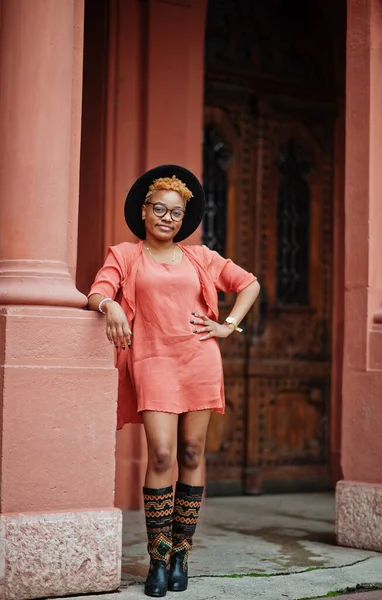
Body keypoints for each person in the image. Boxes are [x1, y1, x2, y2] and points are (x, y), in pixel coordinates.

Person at [88, 165, 260, 597]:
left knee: (191, 450)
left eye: (177, 212)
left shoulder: (200, 257)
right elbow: (97, 291)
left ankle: (182, 553)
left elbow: (249, 283)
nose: (167, 217)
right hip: (153, 360)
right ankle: (157, 560)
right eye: (159, 209)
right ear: (144, 211)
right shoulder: (125, 254)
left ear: (185, 218)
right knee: (162, 453)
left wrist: (229, 325)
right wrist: (109, 307)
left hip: (198, 358)